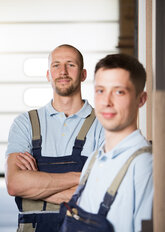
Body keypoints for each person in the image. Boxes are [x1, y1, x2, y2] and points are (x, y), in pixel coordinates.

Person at [5, 44, 104, 232]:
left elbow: (101, 192)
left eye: (71, 65)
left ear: (83, 75)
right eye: (56, 65)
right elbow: (14, 184)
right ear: (49, 75)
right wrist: (82, 177)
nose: (63, 72)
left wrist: (34, 188)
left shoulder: (102, 125)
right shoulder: (25, 123)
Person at [60, 53, 153, 232]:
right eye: (100, 90)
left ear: (141, 99)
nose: (106, 102)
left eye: (119, 92)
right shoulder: (95, 158)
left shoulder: (144, 165)